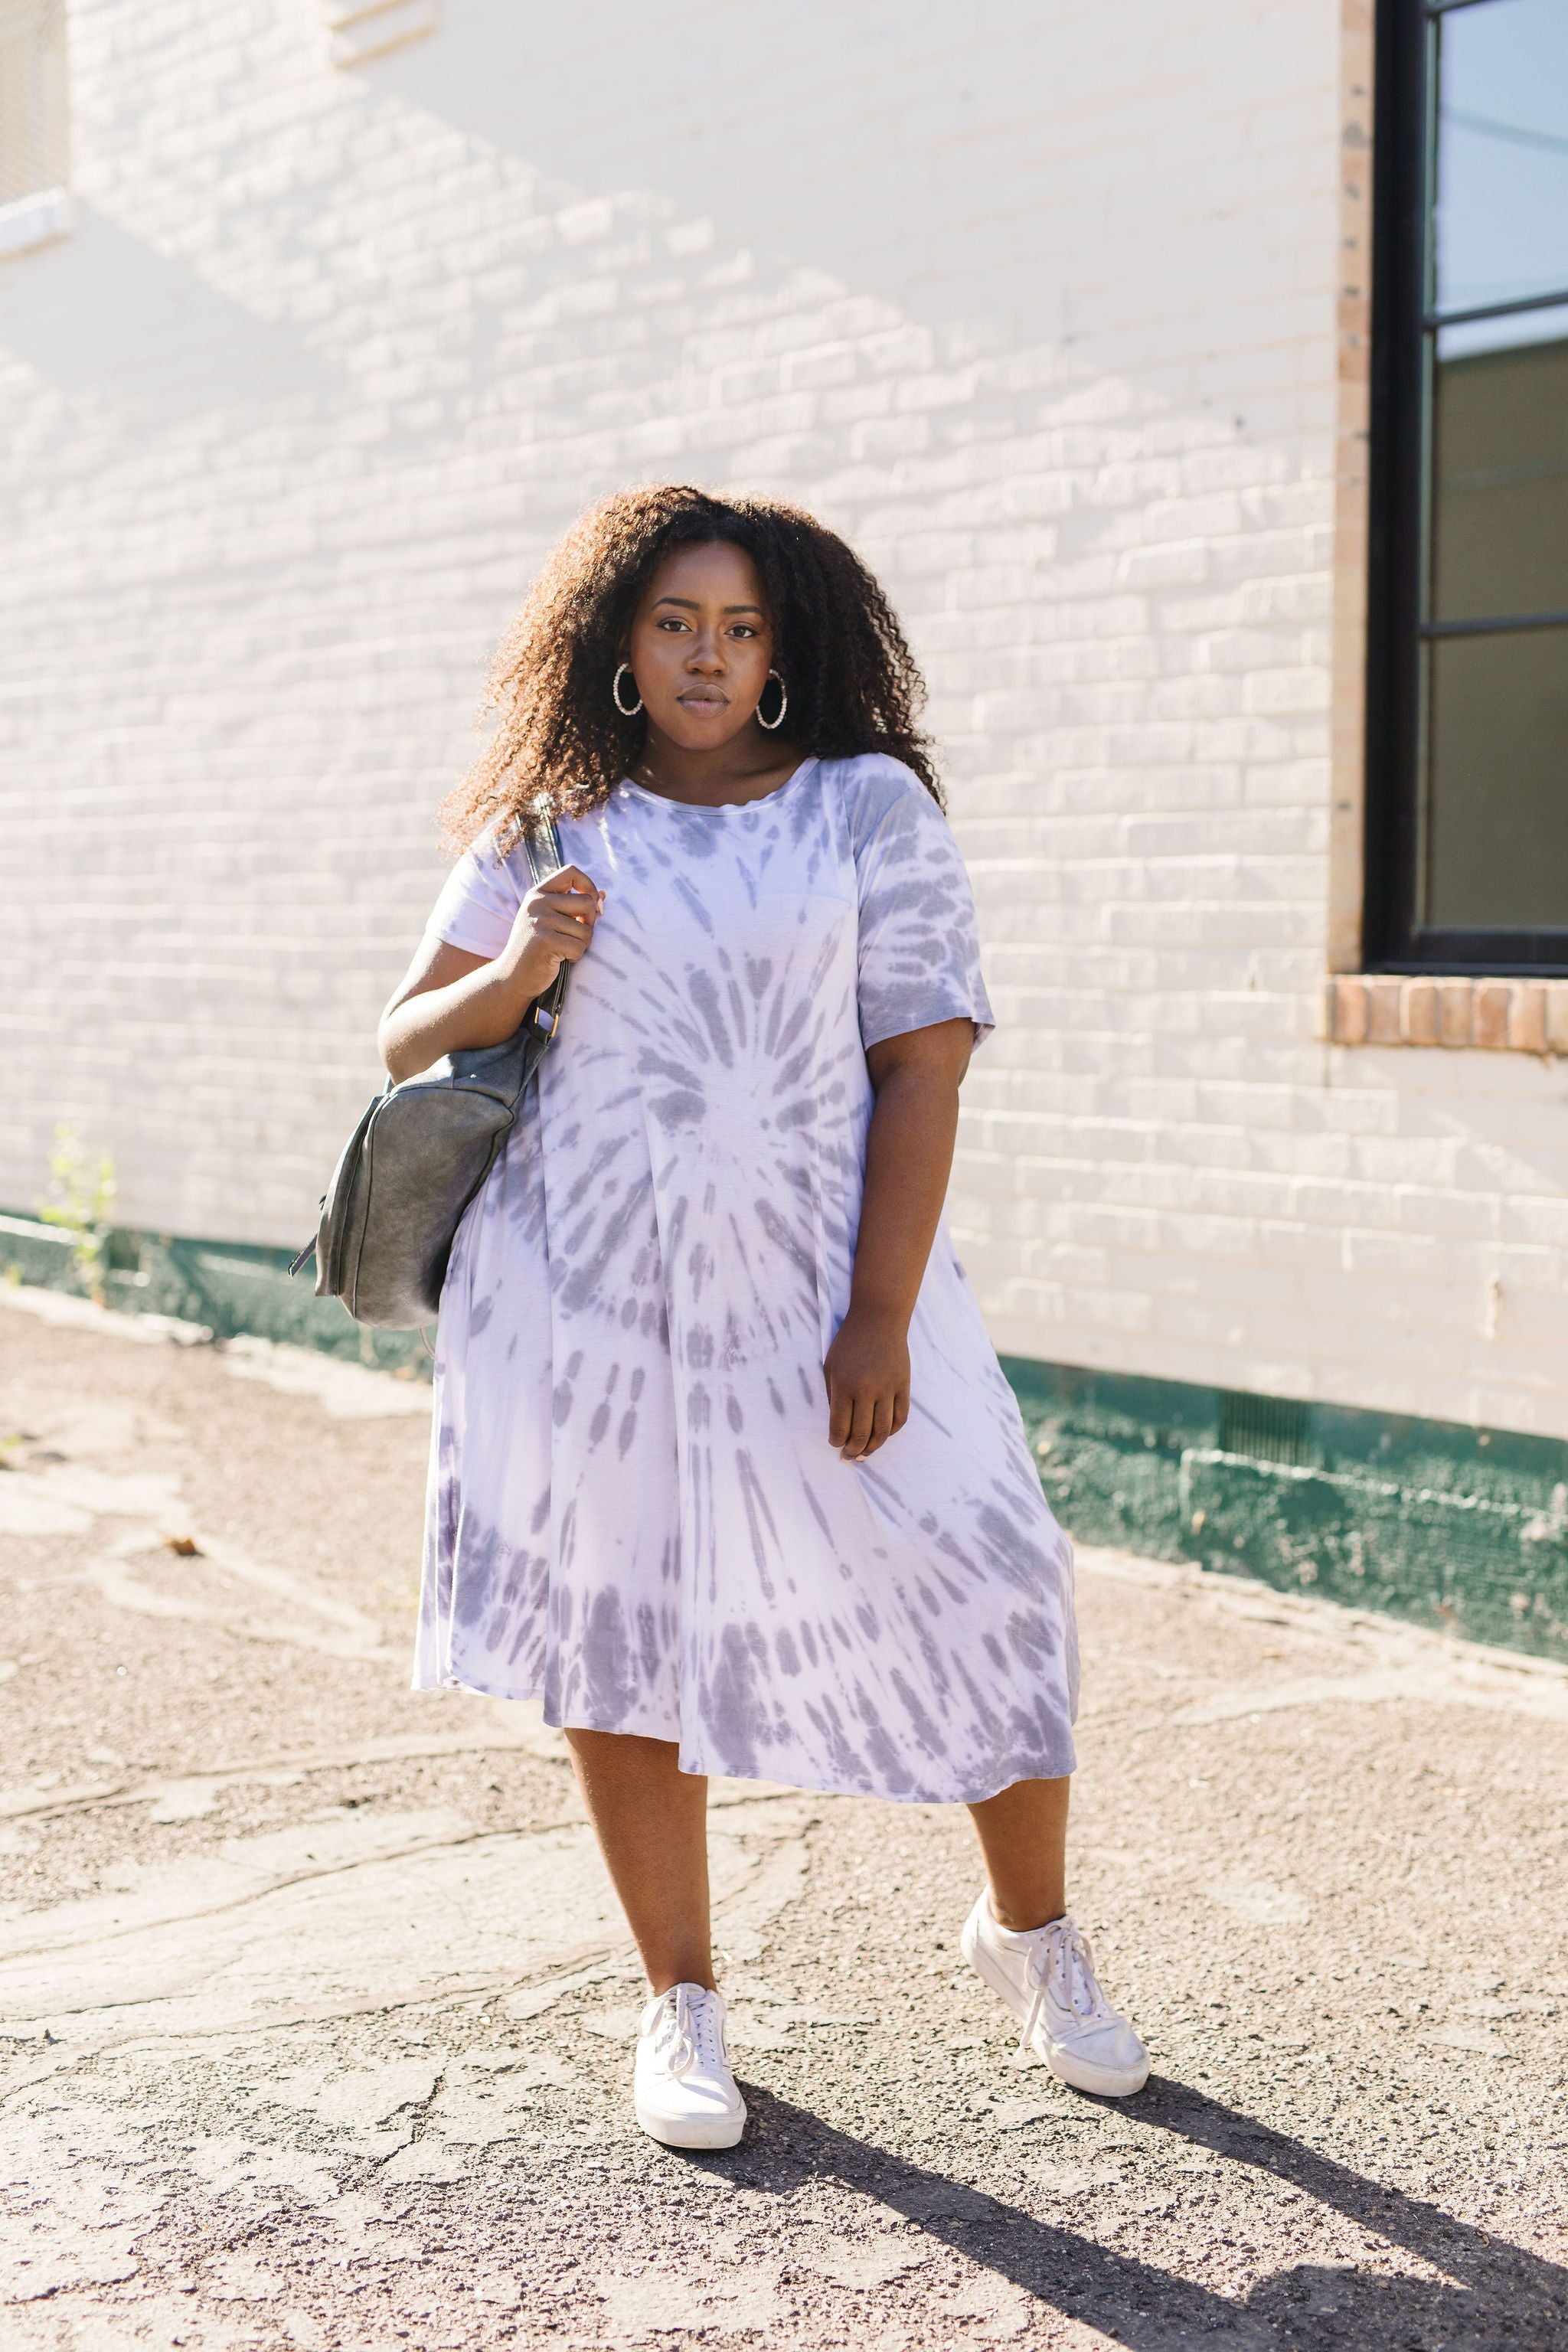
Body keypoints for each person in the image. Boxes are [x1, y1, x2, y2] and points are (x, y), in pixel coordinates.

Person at [378, 485, 1149, 2150]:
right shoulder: (549, 819)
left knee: (994, 1565)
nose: (706, 655)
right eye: (673, 624)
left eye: (736, 627)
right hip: (586, 1288)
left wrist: (878, 1317)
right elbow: (406, 1037)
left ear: (783, 646)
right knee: (625, 1623)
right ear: (619, 645)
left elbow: (923, 1061)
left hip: (823, 1283)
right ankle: (682, 2002)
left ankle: (1031, 1933)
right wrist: (514, 967)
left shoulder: (866, 809)